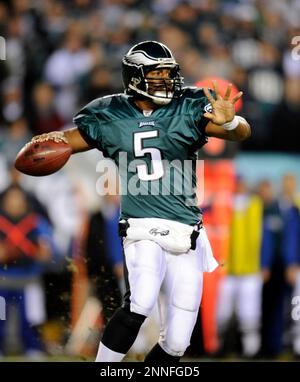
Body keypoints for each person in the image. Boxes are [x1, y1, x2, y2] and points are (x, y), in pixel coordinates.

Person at [28, 41, 251, 362]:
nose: (166, 80)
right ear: (135, 76)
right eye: (156, 73)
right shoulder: (110, 113)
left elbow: (237, 132)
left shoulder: (188, 105)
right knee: (141, 301)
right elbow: (69, 141)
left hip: (186, 230)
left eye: (168, 73)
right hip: (141, 225)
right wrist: (49, 140)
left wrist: (230, 122)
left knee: (177, 342)